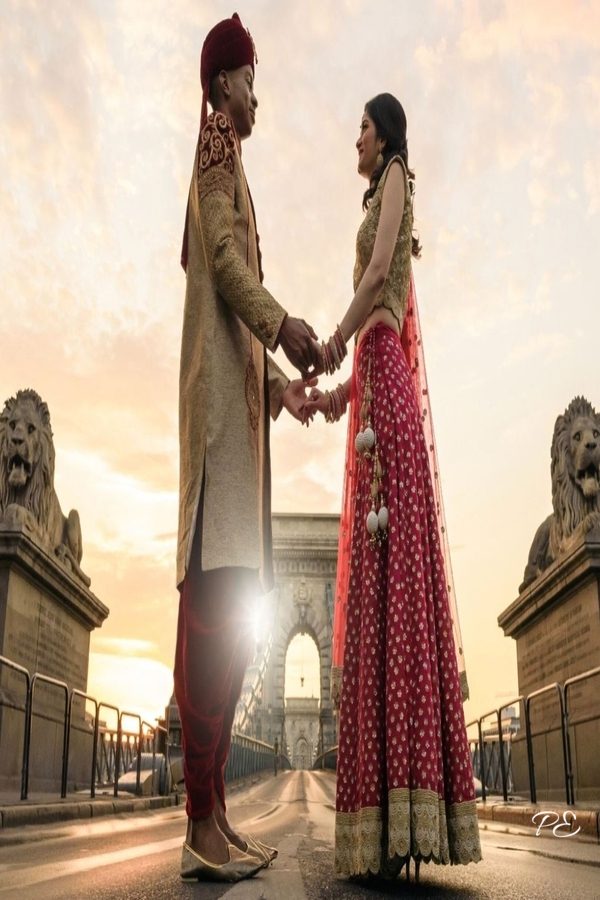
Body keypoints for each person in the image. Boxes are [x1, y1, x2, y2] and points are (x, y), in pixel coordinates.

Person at [303, 93, 482, 881]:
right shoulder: (382, 188)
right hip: (373, 400)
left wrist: (332, 341)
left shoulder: (400, 176)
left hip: (389, 410)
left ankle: (406, 820)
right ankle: (384, 834)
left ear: (388, 136)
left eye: (364, 128)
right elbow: (379, 330)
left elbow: (378, 278)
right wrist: (328, 395)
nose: (358, 139)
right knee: (375, 602)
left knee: (398, 595)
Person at [174, 13, 320, 884]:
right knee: (212, 623)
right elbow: (227, 270)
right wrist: (285, 323)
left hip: (242, 418)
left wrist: (279, 388)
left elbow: (231, 317)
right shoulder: (217, 145)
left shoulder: (232, 157)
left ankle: (217, 818)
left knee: (230, 628)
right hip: (220, 434)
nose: (258, 92)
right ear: (225, 80)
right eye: (252, 76)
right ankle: (200, 820)